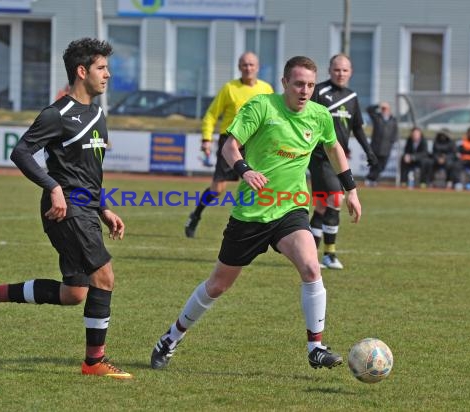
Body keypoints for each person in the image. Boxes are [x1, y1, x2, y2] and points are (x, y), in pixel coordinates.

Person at [150, 56, 362, 372]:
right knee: (218, 286)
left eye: (310, 85)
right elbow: (230, 146)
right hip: (251, 213)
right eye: (299, 84)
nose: (305, 91)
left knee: (310, 266)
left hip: (291, 208)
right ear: (285, 83)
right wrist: (245, 170)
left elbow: (335, 150)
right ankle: (171, 337)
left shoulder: (320, 116)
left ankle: (315, 346)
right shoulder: (262, 107)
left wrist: (351, 189)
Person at [0, 38, 132, 379]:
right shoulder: (57, 115)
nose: (108, 75)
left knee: (74, 293)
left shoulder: (98, 114)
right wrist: (53, 188)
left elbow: (90, 172)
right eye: (102, 68)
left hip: (86, 208)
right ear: (81, 72)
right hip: (65, 210)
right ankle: (94, 362)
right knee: (105, 275)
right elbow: (21, 152)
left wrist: (105, 209)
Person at [184, 51, 274, 238]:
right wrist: (206, 139)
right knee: (218, 189)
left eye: (251, 65)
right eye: (244, 64)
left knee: (257, 185)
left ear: (257, 67)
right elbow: (211, 114)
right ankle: (196, 215)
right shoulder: (229, 88)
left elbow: (273, 116)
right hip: (231, 142)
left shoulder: (266, 89)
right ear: (239, 67)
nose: (248, 68)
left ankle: (254, 228)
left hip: (255, 143)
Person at [308, 54, 377, 270]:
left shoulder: (352, 96)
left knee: (320, 206)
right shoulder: (318, 91)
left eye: (345, 70)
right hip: (320, 158)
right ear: (329, 70)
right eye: (337, 69)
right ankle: (329, 255)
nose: (341, 73)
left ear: (351, 72)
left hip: (338, 159)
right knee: (336, 200)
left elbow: (357, 127)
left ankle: (310, 255)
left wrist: (369, 151)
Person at [365, 102, 399, 186]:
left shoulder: (393, 120)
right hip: (375, 146)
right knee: (374, 164)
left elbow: (395, 133)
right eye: (383, 109)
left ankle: (371, 178)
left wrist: (392, 141)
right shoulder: (377, 117)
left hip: (386, 148)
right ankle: (371, 180)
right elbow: (369, 110)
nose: (384, 110)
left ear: (389, 110)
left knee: (382, 166)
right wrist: (379, 105)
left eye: (386, 109)